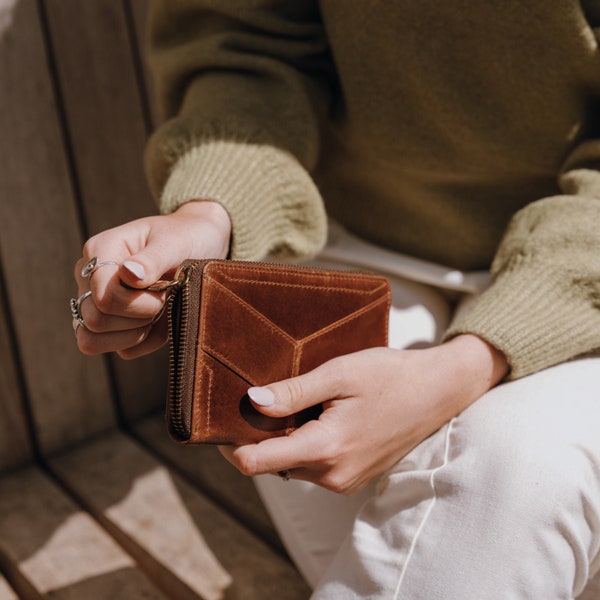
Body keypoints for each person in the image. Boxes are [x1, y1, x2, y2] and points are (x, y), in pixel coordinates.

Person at [71, 2, 600, 597]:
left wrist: (462, 368)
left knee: (514, 473)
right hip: (354, 248)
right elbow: (248, 43)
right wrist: (211, 209)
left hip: (585, 268)